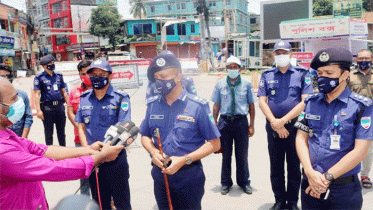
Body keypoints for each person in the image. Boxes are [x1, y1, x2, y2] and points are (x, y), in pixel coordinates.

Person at [0, 77, 125, 210]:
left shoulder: (7, 134)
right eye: (13, 99)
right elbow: (51, 168)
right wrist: (98, 158)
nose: (19, 102)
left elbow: (42, 150)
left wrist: (88, 150)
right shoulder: (3, 151)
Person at [140, 53, 221, 209]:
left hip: (188, 177)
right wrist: (153, 151)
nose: (159, 81)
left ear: (178, 76)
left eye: (163, 76)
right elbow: (144, 135)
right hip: (160, 175)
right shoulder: (152, 105)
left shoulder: (197, 106)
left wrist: (184, 160)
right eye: (156, 77)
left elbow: (214, 143)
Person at [295, 47, 373, 209]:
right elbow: (301, 138)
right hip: (310, 183)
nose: (322, 77)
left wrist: (326, 178)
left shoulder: (362, 106)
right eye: (320, 73)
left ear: (345, 75)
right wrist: (309, 172)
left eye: (329, 74)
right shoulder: (311, 103)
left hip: (343, 189)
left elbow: (360, 151)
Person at [257, 40, 313, 210]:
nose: (281, 55)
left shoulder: (302, 73)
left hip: (295, 127)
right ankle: (279, 200)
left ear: (291, 54)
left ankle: (293, 202)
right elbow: (261, 101)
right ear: (274, 55)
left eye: (284, 52)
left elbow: (305, 102)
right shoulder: (267, 75)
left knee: (295, 166)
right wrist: (275, 122)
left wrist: (284, 121)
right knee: (276, 165)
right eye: (278, 53)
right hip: (273, 127)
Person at [75, 59, 132, 210]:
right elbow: (81, 127)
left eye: (102, 74)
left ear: (110, 76)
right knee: (100, 201)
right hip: (94, 158)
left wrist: (108, 151)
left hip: (115, 157)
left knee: (122, 202)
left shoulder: (120, 98)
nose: (97, 77)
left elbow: (124, 128)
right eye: (94, 74)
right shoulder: (84, 98)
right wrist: (87, 150)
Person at [211, 56, 255, 195]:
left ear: (240, 69)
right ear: (226, 69)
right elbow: (216, 105)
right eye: (230, 67)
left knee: (242, 155)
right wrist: (215, 124)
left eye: (235, 67)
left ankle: (244, 182)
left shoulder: (247, 84)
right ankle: (225, 183)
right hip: (225, 122)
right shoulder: (220, 84)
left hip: (241, 121)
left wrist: (252, 125)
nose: (232, 70)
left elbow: (251, 105)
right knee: (226, 154)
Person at [348, 49, 373, 189]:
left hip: (370, 117)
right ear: (356, 60)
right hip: (351, 115)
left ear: (372, 60)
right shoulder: (349, 76)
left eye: (367, 58)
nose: (364, 61)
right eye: (360, 58)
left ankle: (365, 175)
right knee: (349, 146)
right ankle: (349, 173)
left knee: (368, 150)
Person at [67, 60, 92, 196]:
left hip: (98, 138)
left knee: (104, 173)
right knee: (84, 172)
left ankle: (108, 202)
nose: (86, 76)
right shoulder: (74, 91)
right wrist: (79, 127)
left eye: (89, 72)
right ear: (79, 75)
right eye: (83, 74)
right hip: (79, 139)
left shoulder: (100, 88)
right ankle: (85, 200)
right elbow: (70, 112)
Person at [34, 54, 68, 146]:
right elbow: (37, 94)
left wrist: (69, 105)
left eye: (53, 63)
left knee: (61, 133)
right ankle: (50, 154)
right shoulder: (39, 77)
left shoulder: (59, 76)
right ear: (44, 66)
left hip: (59, 107)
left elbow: (64, 92)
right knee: (49, 133)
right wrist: (38, 110)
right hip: (47, 108)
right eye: (50, 63)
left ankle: (63, 152)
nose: (52, 64)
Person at [0, 64, 33, 138]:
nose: (6, 79)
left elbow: (28, 117)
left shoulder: (22, 95)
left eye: (8, 76)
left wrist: (23, 139)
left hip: (19, 136)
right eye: (2, 77)